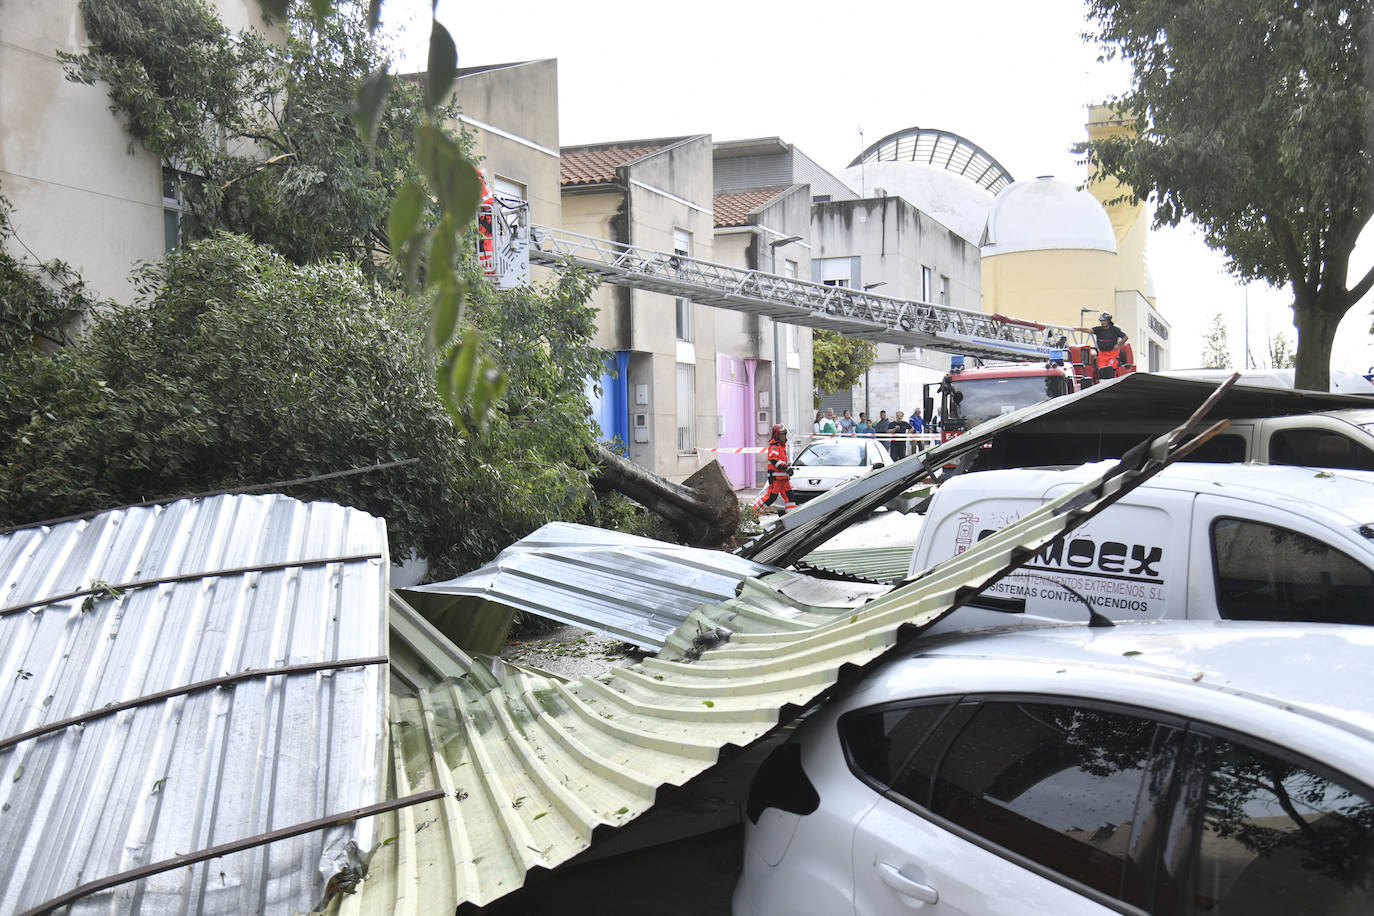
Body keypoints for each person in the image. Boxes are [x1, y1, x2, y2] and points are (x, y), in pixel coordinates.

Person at [753, 424, 797, 516]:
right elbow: (774, 459)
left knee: (790, 498)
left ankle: (791, 516)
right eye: (782, 434)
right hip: (776, 478)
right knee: (771, 497)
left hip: (783, 479)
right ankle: (753, 513)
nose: (784, 436)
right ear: (776, 435)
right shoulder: (774, 446)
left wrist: (787, 468)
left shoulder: (781, 446)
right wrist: (786, 468)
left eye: (784, 434)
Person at [1076, 312, 1130, 379]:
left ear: (1108, 321)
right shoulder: (1098, 329)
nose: (1102, 323)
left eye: (1104, 321)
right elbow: (1089, 330)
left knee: (1111, 370)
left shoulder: (1115, 329)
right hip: (1102, 354)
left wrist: (1118, 345)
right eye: (1101, 321)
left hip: (1112, 354)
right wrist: (1078, 329)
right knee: (1101, 370)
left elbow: (1125, 337)